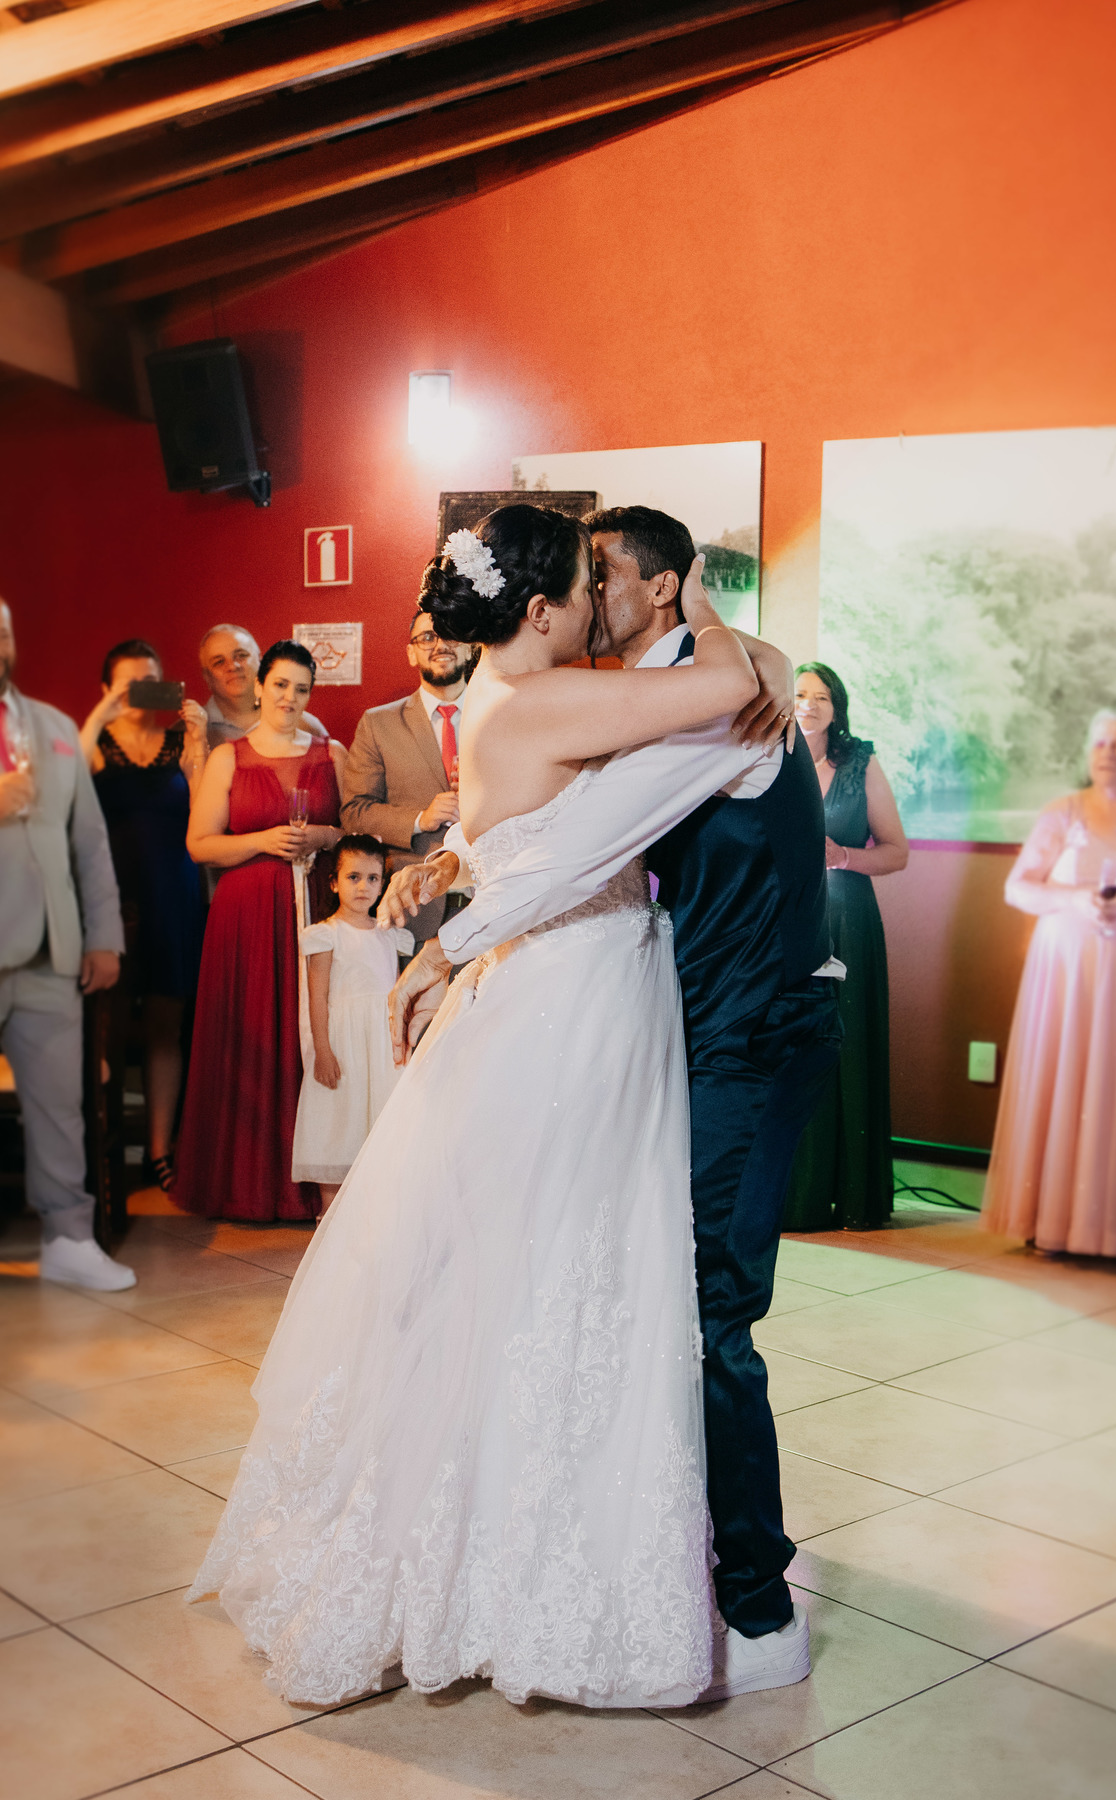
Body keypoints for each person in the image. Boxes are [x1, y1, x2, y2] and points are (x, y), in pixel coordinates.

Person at [189, 502, 777, 1709]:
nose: (600, 604)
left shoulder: (505, 700)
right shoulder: (546, 700)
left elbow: (536, 832)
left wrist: (452, 884)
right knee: (562, 1265)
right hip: (575, 1001)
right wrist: (703, 596)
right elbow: (732, 686)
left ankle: (504, 1539)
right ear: (545, 608)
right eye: (588, 586)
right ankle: (513, 1561)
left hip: (560, 988)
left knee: (529, 1268)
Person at [386, 504, 839, 1702]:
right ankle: (595, 1556)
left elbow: (589, 833)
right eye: (581, 577)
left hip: (746, 1034)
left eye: (608, 573)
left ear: (664, 587)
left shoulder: (734, 690)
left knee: (702, 1309)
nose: (593, 595)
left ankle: (755, 1601)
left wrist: (453, 927)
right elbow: (577, 830)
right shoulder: (631, 694)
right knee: (595, 1291)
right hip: (633, 1026)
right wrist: (467, 873)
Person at [981, 709, 1116, 1261]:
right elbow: (1018, 888)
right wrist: (1076, 899)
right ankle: (1052, 1222)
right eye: (1100, 743)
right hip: (1068, 977)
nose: (1107, 753)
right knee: (1070, 1082)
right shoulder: (1064, 812)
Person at [174, 641, 345, 1221]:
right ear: (260, 686)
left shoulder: (333, 754)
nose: (289, 698)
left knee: (312, 1033)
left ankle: (313, 1187)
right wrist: (262, 840)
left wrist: (322, 837)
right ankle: (244, 1184)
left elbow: (354, 834)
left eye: (302, 689)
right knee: (250, 1036)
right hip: (245, 918)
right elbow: (200, 845)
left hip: (314, 908)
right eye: (280, 685)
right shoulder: (228, 757)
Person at [0, 599, 134, 1290]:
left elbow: (90, 843)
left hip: (50, 952)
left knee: (59, 1105)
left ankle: (69, 1239)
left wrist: (103, 936)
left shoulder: (53, 728)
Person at [79, 639, 209, 1191]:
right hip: (107, 901)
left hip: (173, 896)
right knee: (104, 1028)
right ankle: (105, 1148)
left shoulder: (178, 740)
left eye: (150, 681)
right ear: (107, 689)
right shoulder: (94, 743)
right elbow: (65, 791)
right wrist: (100, 715)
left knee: (164, 1025)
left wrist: (200, 742)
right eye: (128, 683)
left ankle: (159, 1149)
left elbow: (205, 814)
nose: (140, 692)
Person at [783, 662, 908, 1231]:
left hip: (848, 920)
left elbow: (897, 851)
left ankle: (854, 1194)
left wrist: (844, 857)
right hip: (786, 921)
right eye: (800, 694)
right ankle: (796, 1197)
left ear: (838, 709)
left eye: (822, 697)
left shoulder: (860, 762)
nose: (808, 705)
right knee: (793, 1045)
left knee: (846, 1044)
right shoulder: (768, 754)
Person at [291, 834, 413, 1214]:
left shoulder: (390, 935)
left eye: (372, 878)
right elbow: (317, 999)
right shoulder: (326, 935)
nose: (363, 887)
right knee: (338, 1125)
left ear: (383, 883)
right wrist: (322, 1052)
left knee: (379, 1125)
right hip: (343, 1047)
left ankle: (370, 1220)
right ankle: (328, 1219)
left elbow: (397, 995)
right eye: (353, 877)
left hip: (381, 1047)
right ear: (334, 882)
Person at [339, 610, 474, 946]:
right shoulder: (378, 724)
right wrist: (420, 819)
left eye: (451, 634)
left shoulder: (503, 714)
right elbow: (354, 812)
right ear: (411, 652)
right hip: (413, 910)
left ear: (471, 646)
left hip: (489, 900)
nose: (440, 645)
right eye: (427, 637)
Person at [199, 623, 327, 749]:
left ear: (260, 659)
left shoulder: (305, 725)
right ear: (207, 676)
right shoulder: (196, 729)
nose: (233, 666)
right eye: (219, 662)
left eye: (241, 655)